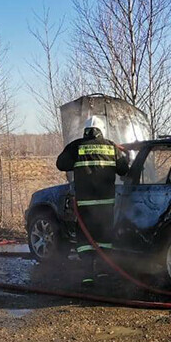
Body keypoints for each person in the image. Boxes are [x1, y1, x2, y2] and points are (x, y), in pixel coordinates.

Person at [56, 116, 129, 285]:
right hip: (106, 203)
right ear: (101, 130)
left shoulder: (76, 146)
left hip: (85, 204)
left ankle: (88, 275)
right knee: (104, 237)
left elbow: (61, 164)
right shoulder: (111, 147)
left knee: (85, 240)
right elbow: (124, 170)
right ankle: (104, 271)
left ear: (86, 130)